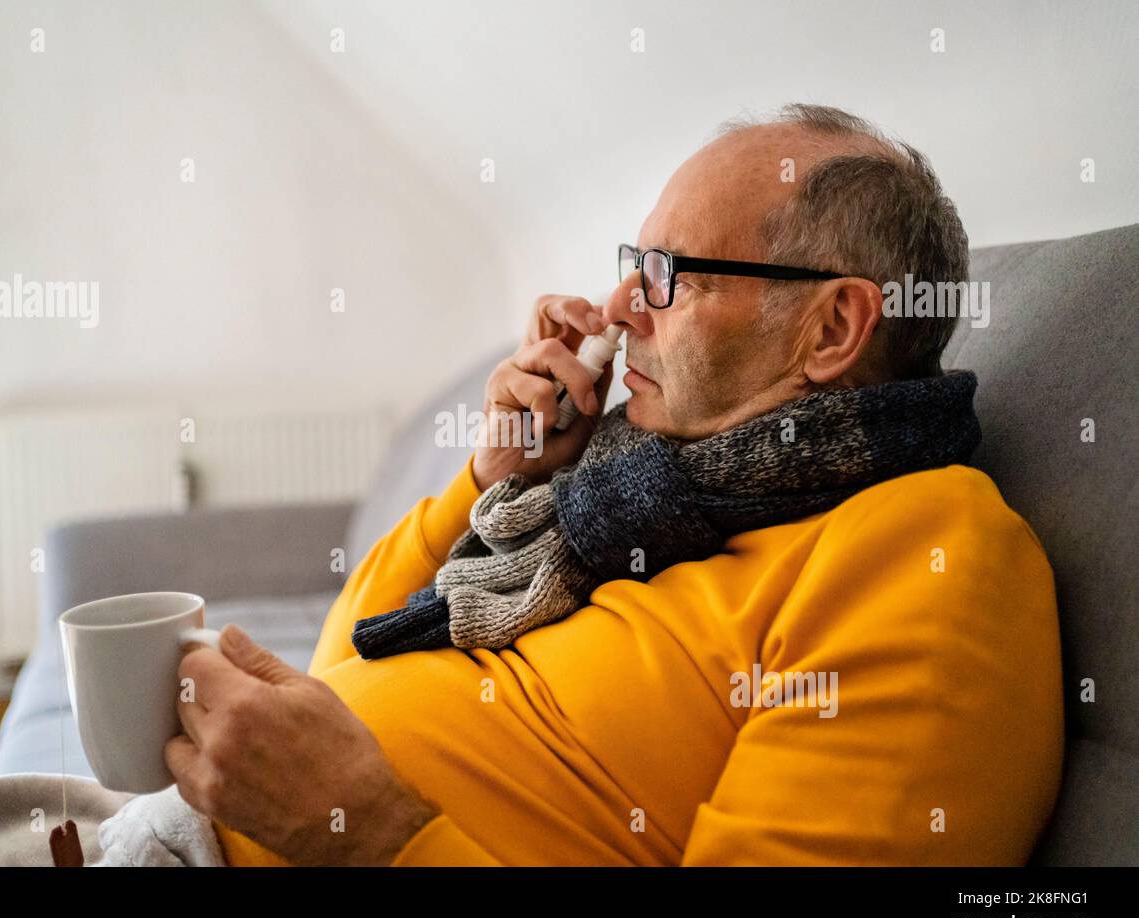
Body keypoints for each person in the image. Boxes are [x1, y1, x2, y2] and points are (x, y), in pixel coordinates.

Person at [167, 104, 1063, 866]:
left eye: (668, 276)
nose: (620, 306)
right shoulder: (629, 492)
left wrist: (369, 834)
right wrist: (498, 475)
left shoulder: (929, 553)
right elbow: (348, 658)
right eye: (635, 262)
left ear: (831, 328)